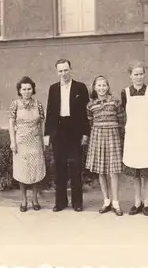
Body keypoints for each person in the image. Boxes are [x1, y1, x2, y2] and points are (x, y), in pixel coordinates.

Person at [44, 59, 90, 212]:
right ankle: (60, 202)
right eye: (60, 71)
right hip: (59, 131)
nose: (63, 73)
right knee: (59, 168)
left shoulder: (80, 87)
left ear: (71, 69)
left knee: (76, 167)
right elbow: (50, 112)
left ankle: (77, 202)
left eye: (66, 70)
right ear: (57, 72)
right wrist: (47, 134)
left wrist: (85, 133)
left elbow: (85, 113)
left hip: (75, 131)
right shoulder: (53, 88)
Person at [121, 61, 148, 216]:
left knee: (147, 170)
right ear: (130, 76)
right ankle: (137, 202)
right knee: (135, 171)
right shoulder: (124, 92)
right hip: (132, 136)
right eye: (135, 74)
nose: (139, 77)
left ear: (144, 75)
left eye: (141, 74)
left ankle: (147, 203)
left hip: (146, 135)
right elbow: (126, 114)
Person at [85, 75, 125, 216]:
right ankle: (106, 201)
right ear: (95, 88)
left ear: (108, 87)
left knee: (113, 171)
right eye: (99, 86)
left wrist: (115, 132)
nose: (101, 88)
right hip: (97, 137)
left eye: (104, 85)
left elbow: (121, 120)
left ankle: (116, 202)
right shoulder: (91, 105)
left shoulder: (115, 102)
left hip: (113, 137)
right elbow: (90, 122)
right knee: (101, 171)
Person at [8, 76, 47, 212]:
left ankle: (35, 199)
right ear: (19, 90)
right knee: (22, 171)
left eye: (29, 89)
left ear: (33, 89)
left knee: (36, 171)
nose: (26, 91)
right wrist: (13, 141)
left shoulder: (38, 104)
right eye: (24, 89)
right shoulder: (15, 105)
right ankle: (24, 200)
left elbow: (42, 124)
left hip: (35, 141)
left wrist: (43, 141)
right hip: (21, 142)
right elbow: (11, 124)